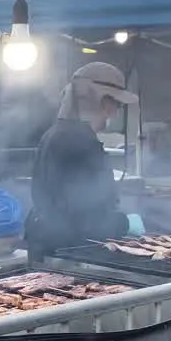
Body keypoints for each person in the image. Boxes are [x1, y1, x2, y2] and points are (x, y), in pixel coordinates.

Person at [25, 62, 145, 258]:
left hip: (47, 244)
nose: (115, 112)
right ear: (105, 103)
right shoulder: (79, 143)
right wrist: (124, 223)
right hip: (69, 251)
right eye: (117, 104)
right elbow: (83, 219)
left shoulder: (57, 133)